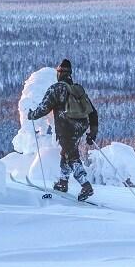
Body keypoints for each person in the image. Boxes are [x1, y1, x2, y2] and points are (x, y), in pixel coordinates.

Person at [27, 59, 99, 201]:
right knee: (67, 152)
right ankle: (62, 182)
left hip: (66, 127)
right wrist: (93, 132)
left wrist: (31, 115)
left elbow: (43, 108)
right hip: (81, 126)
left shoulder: (56, 88)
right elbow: (93, 112)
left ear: (59, 73)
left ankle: (86, 185)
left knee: (71, 155)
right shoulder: (77, 90)